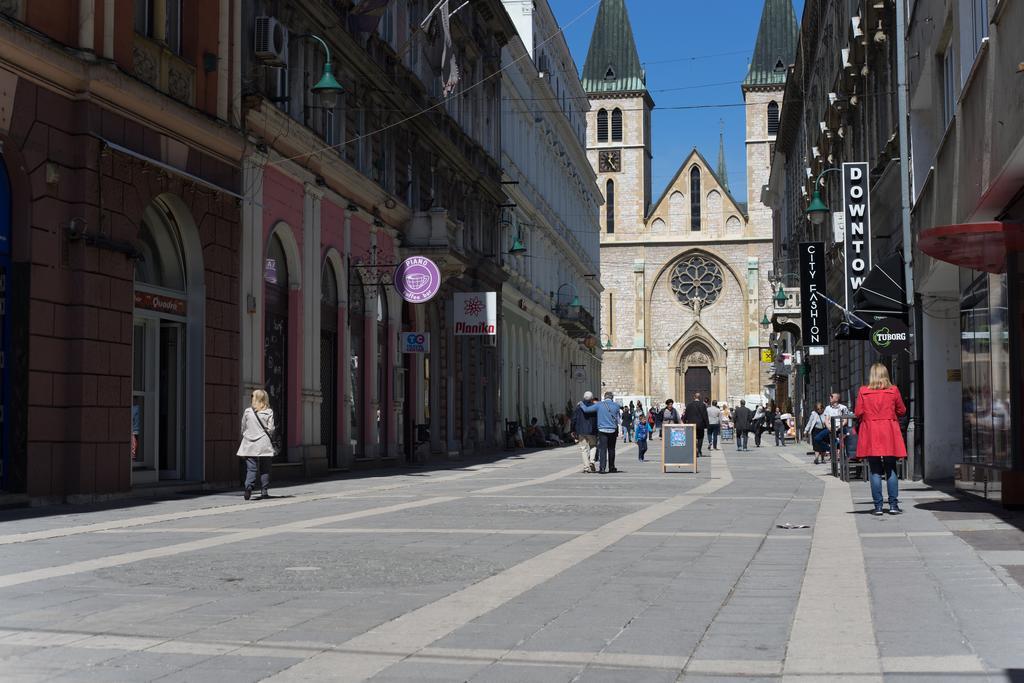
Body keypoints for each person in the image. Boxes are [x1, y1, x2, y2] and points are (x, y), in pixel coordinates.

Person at [856, 363, 908, 515]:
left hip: (871, 432)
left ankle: (878, 506)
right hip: (889, 431)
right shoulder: (893, 390)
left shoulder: (863, 391)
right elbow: (902, 410)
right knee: (891, 468)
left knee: (875, 470)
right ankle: (893, 505)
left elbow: (858, 412)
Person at [237, 389, 276, 500]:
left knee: (251, 468)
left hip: (249, 442)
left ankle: (248, 487)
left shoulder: (248, 411)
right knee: (265, 468)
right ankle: (264, 491)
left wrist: (246, 434)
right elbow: (271, 429)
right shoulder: (268, 412)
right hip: (264, 443)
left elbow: (243, 426)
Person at [581, 391, 622, 473]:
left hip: (602, 430)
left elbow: (586, 410)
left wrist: (581, 404)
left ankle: (602, 468)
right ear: (612, 397)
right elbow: (618, 419)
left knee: (602, 449)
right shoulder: (616, 406)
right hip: (613, 430)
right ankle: (611, 467)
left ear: (604, 397)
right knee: (611, 449)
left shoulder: (599, 405)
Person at [571, 391, 599, 473]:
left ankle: (586, 467)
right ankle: (592, 461)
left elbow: (574, 419)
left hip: (581, 431)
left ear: (583, 397)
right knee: (593, 446)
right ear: (592, 398)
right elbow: (597, 419)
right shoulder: (595, 406)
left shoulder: (579, 407)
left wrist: (572, 430)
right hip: (592, 430)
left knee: (583, 449)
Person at [683, 392, 709, 457]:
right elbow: (705, 416)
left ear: (694, 397)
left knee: (692, 438)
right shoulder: (703, 405)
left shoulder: (689, 405)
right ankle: (699, 450)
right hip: (700, 425)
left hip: (691, 424)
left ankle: (693, 451)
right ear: (700, 398)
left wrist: (684, 422)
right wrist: (707, 425)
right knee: (700, 438)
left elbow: (685, 415)